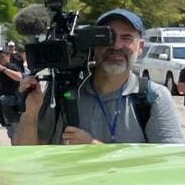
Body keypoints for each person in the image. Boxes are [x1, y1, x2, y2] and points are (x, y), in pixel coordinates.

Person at [16, 9, 184, 145]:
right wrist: (31, 113)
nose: (116, 45)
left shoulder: (153, 97)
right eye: (106, 37)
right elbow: (27, 154)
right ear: (93, 44)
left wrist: (93, 147)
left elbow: (168, 165)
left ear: (140, 47)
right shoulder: (62, 91)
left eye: (126, 38)